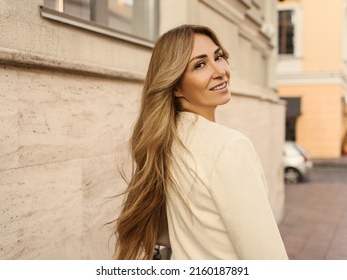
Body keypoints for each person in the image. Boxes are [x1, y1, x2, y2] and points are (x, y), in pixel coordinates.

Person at [114, 24, 288, 260]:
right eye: (200, 64)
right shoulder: (230, 147)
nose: (220, 71)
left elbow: (165, 234)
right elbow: (267, 258)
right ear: (175, 86)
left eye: (218, 57)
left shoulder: (166, 142)